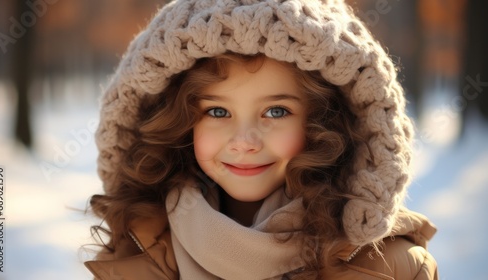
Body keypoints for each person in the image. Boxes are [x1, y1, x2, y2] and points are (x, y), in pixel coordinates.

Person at [84, 0, 438, 279]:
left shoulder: (392, 267)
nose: (244, 141)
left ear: (324, 123)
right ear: (181, 122)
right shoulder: (133, 253)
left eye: (276, 112)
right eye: (218, 112)